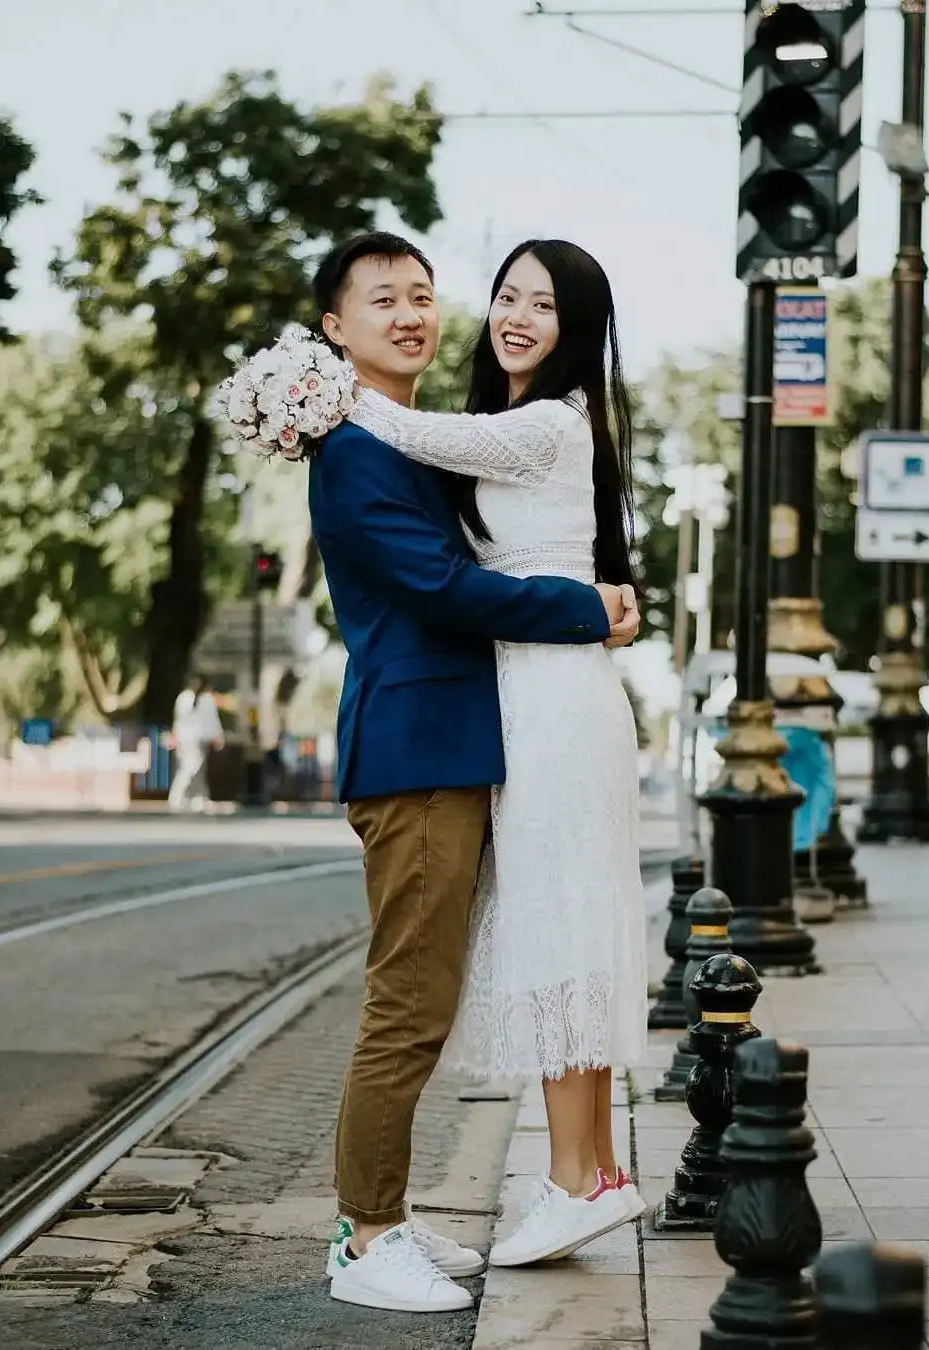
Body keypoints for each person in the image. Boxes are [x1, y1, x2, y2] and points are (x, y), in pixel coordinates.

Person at [306, 232, 639, 1315]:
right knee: (408, 1002)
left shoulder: (439, 436)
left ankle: (397, 1218)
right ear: (334, 328)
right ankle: (366, 1238)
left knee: (438, 991)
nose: (411, 313)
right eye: (381, 300)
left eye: (421, 294)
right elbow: (444, 587)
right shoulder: (359, 445)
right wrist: (584, 605)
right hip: (417, 747)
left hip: (471, 739)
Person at [167, 674, 224, 812]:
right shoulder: (206, 700)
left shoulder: (183, 698)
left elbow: (178, 719)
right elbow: (212, 721)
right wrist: (218, 736)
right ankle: (179, 795)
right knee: (191, 767)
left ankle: (198, 797)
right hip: (197, 739)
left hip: (185, 738)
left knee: (193, 768)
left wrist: (175, 735)